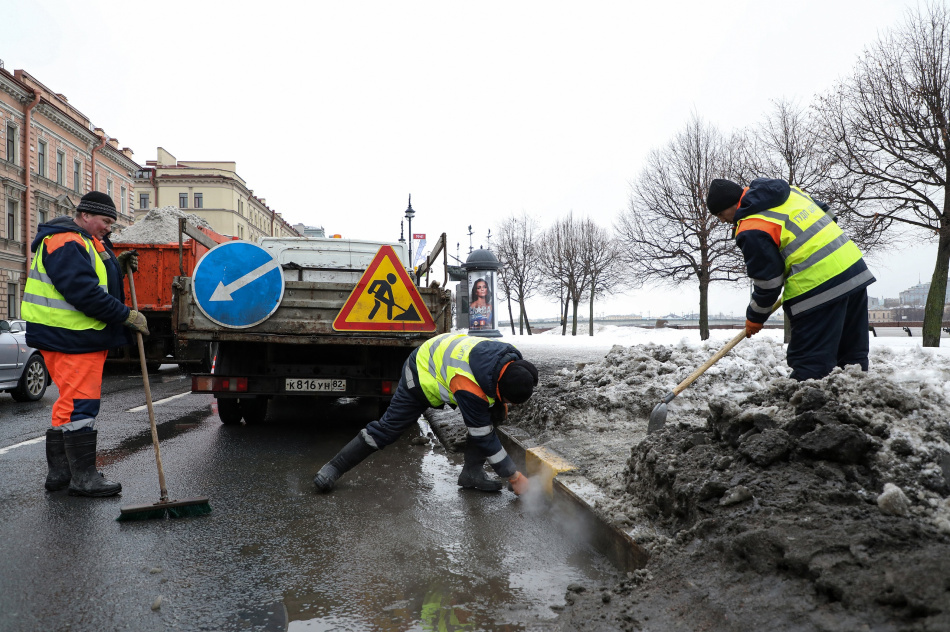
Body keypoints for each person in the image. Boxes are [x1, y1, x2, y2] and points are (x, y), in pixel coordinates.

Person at [21, 191, 149, 497]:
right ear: (86, 215)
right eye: (105, 221)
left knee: (67, 405)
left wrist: (116, 263)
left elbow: (92, 276)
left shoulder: (84, 241)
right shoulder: (67, 241)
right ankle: (83, 478)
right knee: (81, 404)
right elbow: (84, 293)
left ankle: (61, 474)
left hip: (71, 335)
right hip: (72, 337)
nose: (108, 227)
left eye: (111, 223)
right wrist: (126, 315)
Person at [314, 332, 539, 495]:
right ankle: (333, 467)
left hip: (444, 361)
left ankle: (472, 474)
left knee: (494, 412)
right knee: (387, 430)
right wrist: (514, 477)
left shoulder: (509, 357)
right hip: (420, 372)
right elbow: (482, 435)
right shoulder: (469, 385)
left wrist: (503, 402)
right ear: (501, 386)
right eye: (510, 399)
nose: (512, 405)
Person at [706, 178, 875, 381]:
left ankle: (809, 409)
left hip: (817, 287)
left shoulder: (751, 227)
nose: (722, 221)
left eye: (720, 215)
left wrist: (755, 317)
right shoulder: (791, 193)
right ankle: (857, 403)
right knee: (852, 357)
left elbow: (768, 282)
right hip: (853, 269)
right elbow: (830, 216)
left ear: (730, 206)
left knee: (810, 362)